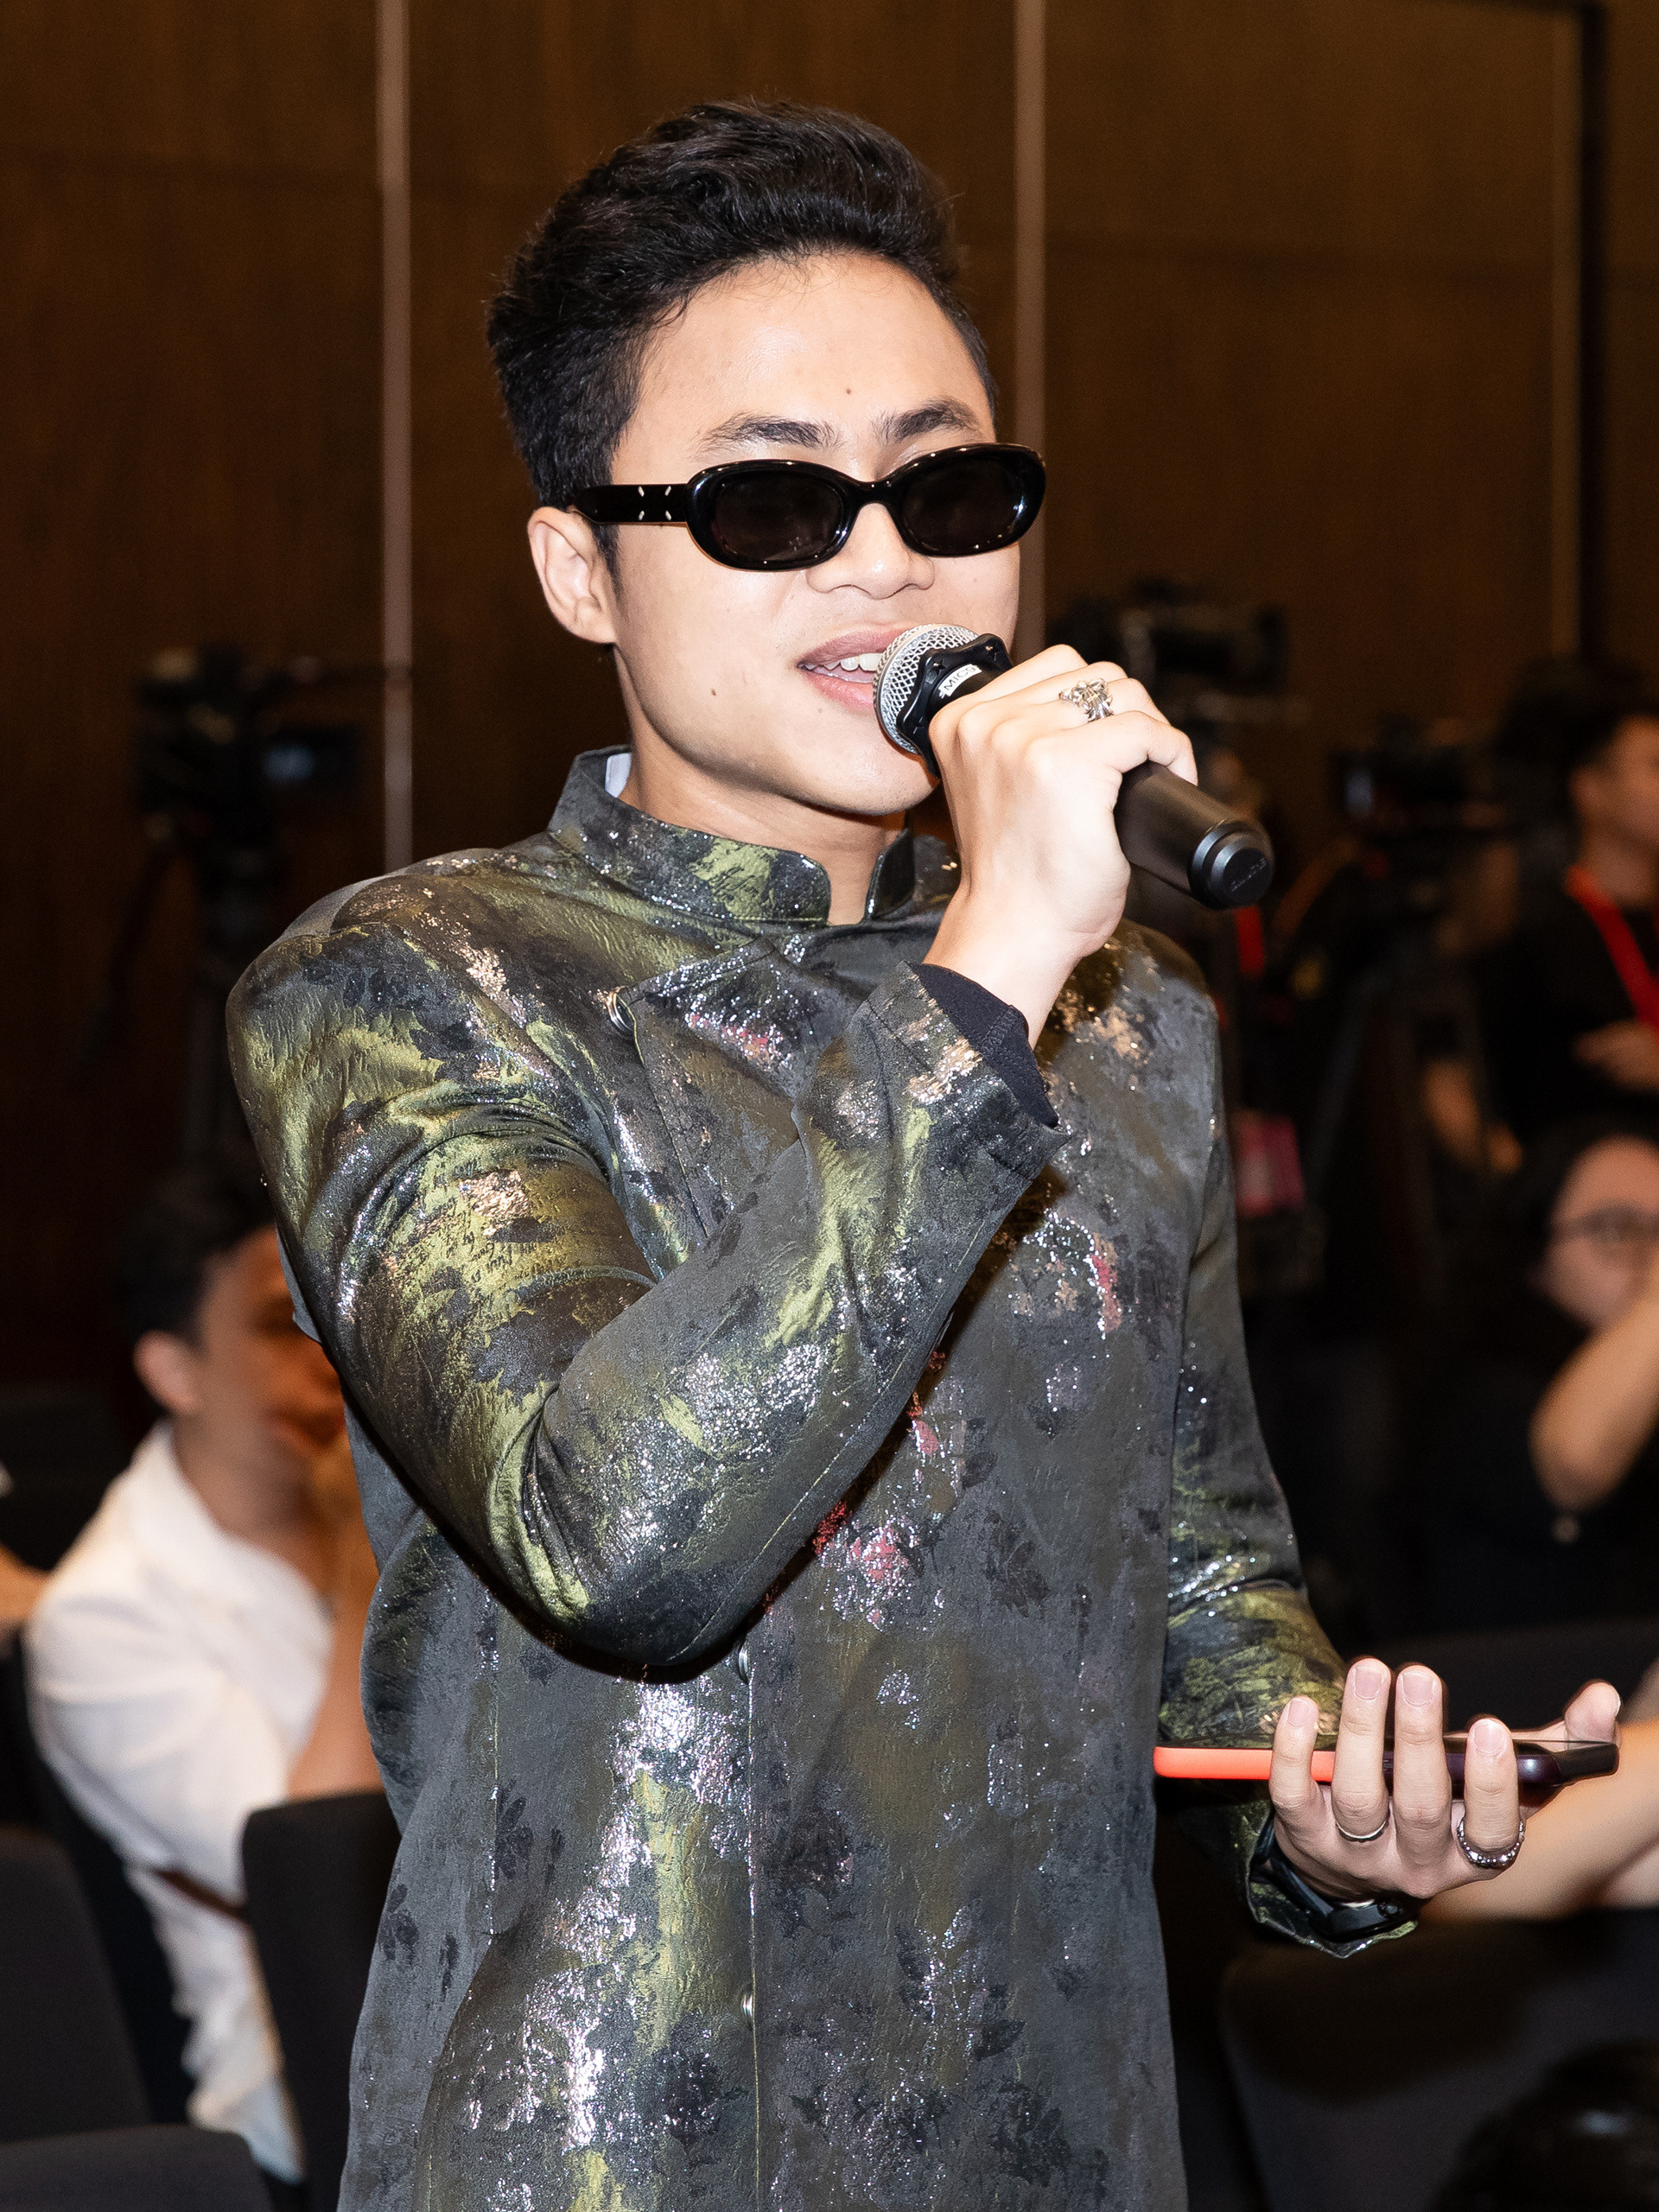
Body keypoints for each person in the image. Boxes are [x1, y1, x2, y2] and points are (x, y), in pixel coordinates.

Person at [226, 103, 1614, 2212]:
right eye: (773, 497)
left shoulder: (1127, 1013)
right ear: (580, 566)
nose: (885, 561)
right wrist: (993, 975)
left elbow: (1203, 1577)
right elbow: (623, 1537)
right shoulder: (413, 983)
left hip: (1061, 2134)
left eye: (946, 485)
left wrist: (1334, 1817)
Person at [25, 1157, 382, 2190]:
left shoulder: (349, 1506)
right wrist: (370, 1571)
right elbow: (311, 1877)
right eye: (280, 1326)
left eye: (331, 1319)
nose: (328, 1360)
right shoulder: (106, 1615)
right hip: (305, 2079)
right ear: (175, 1370)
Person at [1409, 1118, 1659, 1630]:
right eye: (1618, 1230)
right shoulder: (1481, 1378)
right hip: (1537, 1674)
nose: (1650, 1260)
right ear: (1536, 1254)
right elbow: (1574, 1465)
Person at [1478, 656, 1659, 1142]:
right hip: (1585, 1178)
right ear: (1591, 789)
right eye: (1656, 767)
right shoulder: (1534, 932)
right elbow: (1457, 1083)